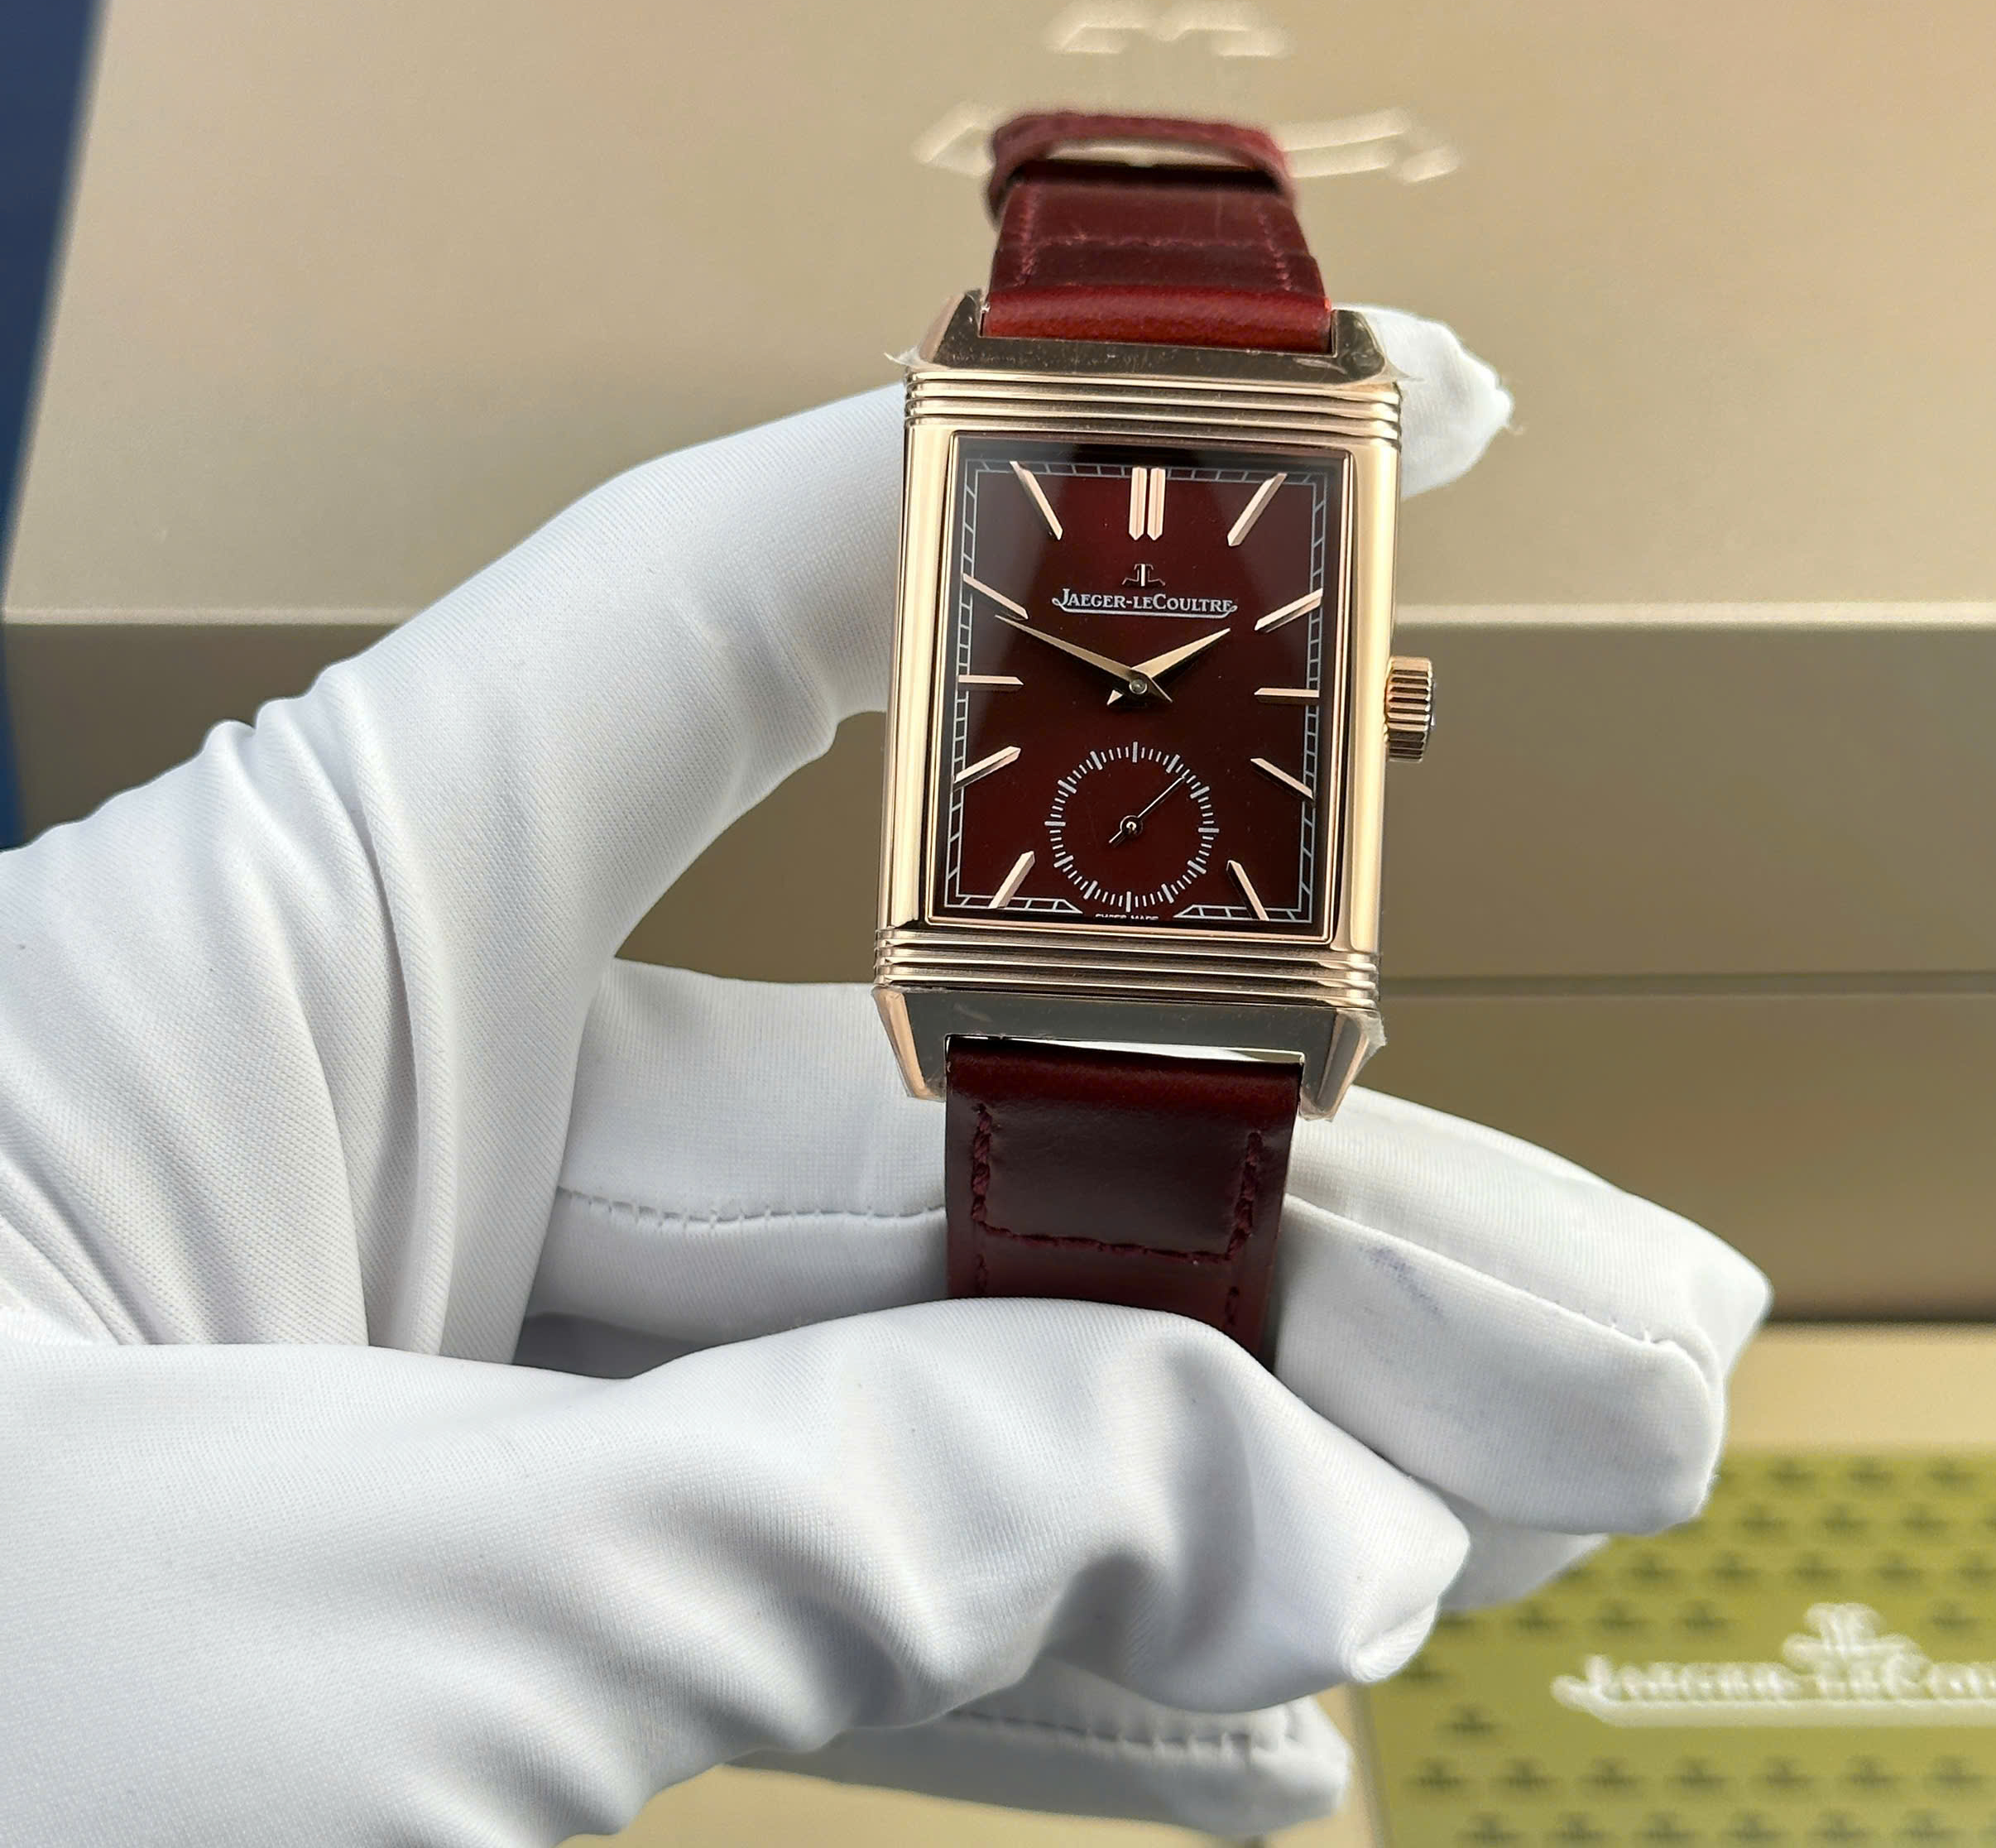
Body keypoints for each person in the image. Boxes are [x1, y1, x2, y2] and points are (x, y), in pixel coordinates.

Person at [0, 306, 1768, 1845]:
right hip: (1065, 968)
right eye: (1099, 671)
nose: (1135, 692)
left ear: (1370, 704)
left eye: (1162, 677)